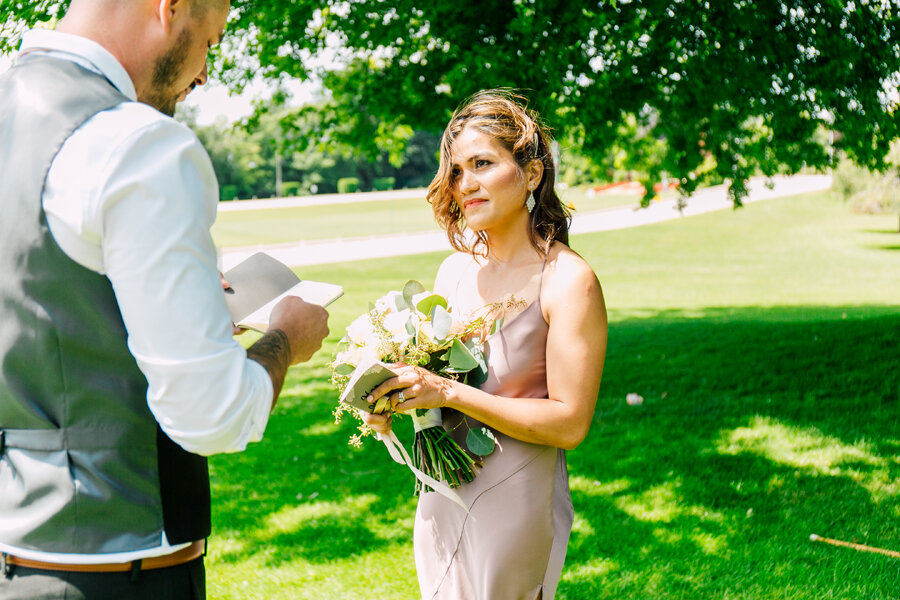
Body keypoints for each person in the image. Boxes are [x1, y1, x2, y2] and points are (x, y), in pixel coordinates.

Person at [0, 0, 329, 598]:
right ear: (168, 8)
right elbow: (212, 414)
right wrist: (286, 340)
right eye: (211, 40)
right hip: (121, 572)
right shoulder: (136, 143)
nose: (205, 72)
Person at [365, 89, 608, 599]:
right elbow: (437, 386)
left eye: (482, 163)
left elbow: (570, 423)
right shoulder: (453, 271)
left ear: (532, 174)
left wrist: (448, 394)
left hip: (515, 500)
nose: (465, 184)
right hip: (442, 493)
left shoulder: (568, 280)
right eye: (455, 171)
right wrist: (394, 398)